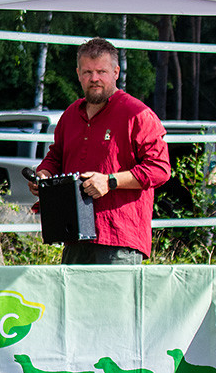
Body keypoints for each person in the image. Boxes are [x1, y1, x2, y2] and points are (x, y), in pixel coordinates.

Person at [29, 37, 170, 264]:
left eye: (101, 72)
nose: (94, 79)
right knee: (73, 300)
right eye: (87, 72)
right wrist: (43, 174)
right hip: (73, 234)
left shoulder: (137, 114)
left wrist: (109, 181)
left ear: (116, 72)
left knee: (115, 301)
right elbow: (56, 156)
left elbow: (160, 169)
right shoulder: (70, 115)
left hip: (118, 238)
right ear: (78, 74)